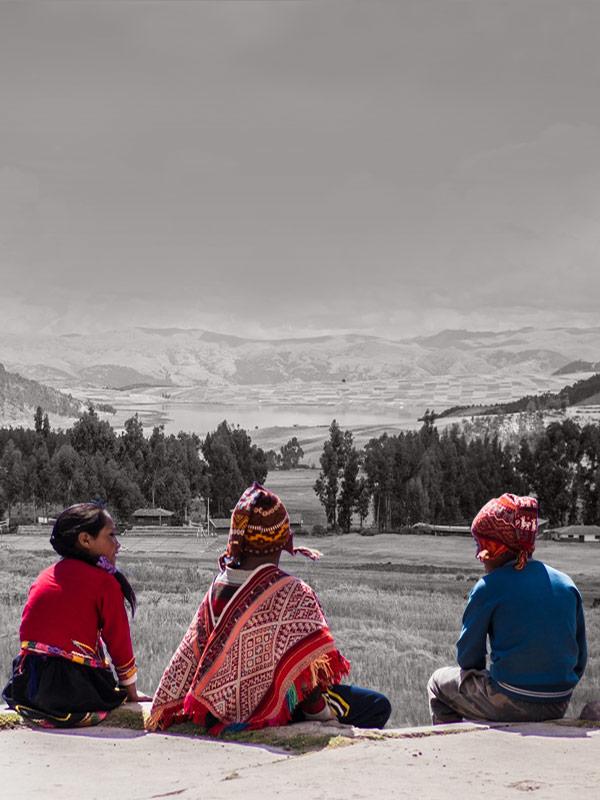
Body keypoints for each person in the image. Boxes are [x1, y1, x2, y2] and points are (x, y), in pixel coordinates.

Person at [148, 482, 391, 734]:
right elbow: (307, 680)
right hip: (269, 710)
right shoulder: (292, 592)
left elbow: (191, 656)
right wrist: (323, 716)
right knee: (377, 705)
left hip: (215, 709)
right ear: (282, 539)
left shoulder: (219, 585)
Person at [427, 493, 587, 724]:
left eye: (482, 547)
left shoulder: (488, 587)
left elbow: (468, 657)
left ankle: (451, 748)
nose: (480, 557)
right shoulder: (567, 584)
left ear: (496, 549)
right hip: (559, 702)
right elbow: (580, 659)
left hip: (510, 699)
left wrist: (487, 678)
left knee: (437, 682)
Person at [2, 502, 150, 728]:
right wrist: (131, 691)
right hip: (76, 692)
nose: (117, 545)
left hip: (29, 687)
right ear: (85, 539)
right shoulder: (105, 583)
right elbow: (119, 643)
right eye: (110, 535)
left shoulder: (44, 576)